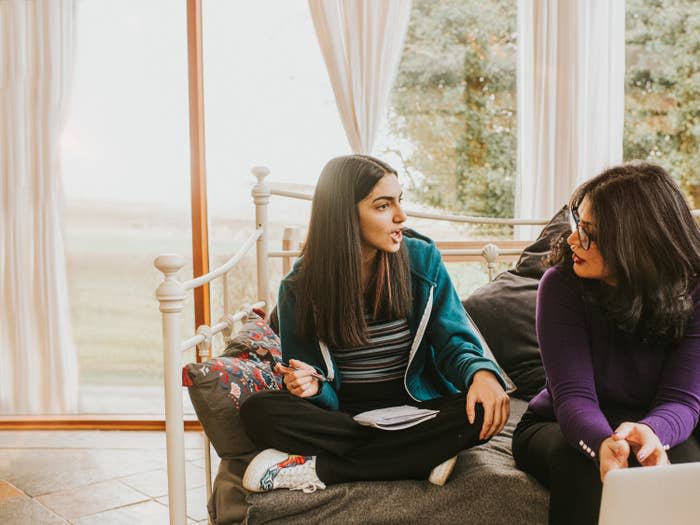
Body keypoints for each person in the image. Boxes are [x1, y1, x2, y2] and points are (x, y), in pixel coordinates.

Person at [239, 154, 510, 493]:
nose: (401, 216)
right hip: (346, 414)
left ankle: (323, 468)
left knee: (483, 410)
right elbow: (315, 382)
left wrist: (481, 374)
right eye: (383, 206)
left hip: (418, 405)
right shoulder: (298, 289)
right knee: (259, 412)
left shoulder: (422, 259)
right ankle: (419, 454)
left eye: (400, 201)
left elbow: (453, 341)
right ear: (344, 215)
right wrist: (312, 386)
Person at [512, 162, 700, 525]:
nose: (572, 241)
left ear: (635, 242)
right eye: (577, 226)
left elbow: (683, 399)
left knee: (682, 466)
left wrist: (652, 435)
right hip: (562, 424)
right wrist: (604, 443)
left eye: (590, 234)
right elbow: (572, 397)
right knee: (584, 467)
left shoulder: (695, 289)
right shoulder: (561, 285)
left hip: (656, 422)